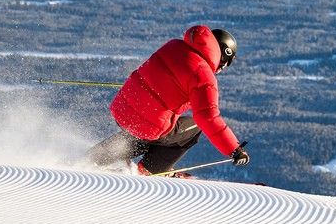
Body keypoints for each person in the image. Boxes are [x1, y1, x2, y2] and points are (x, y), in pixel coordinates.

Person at [88, 25, 250, 176]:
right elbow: (208, 118)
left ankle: (96, 157)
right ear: (224, 56)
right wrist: (234, 149)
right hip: (148, 124)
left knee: (151, 126)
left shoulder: (174, 46)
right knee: (192, 128)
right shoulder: (204, 75)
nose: (221, 70)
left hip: (122, 109)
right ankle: (150, 169)